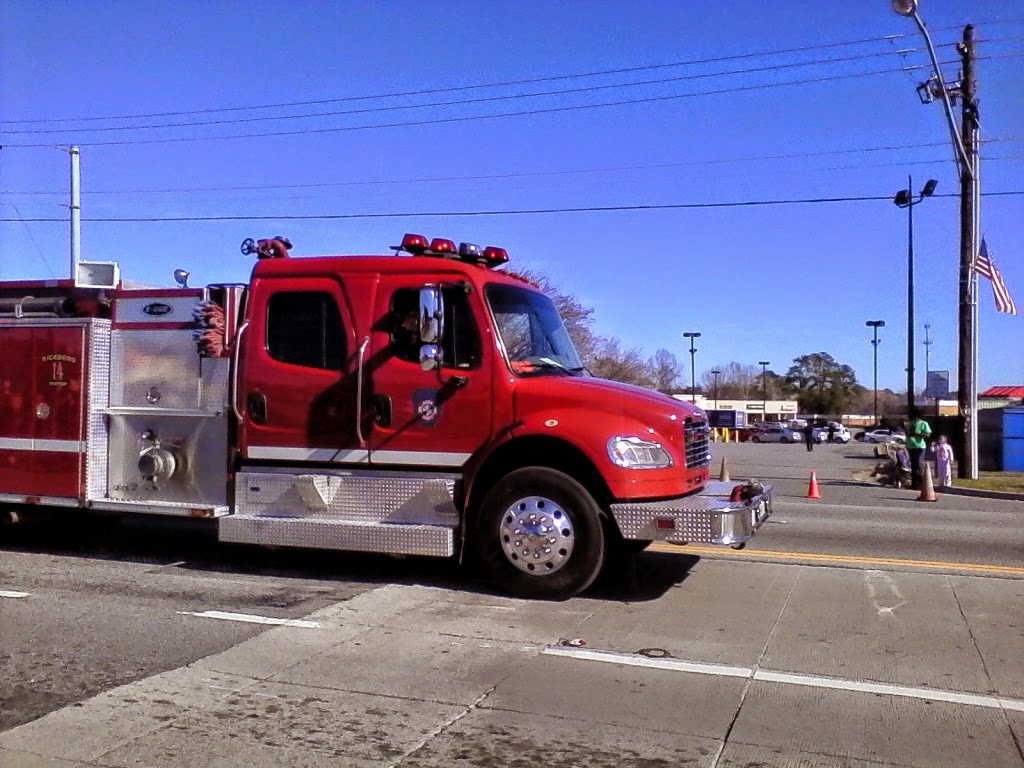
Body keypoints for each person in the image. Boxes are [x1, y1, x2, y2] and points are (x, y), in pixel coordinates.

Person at [905, 409, 932, 489]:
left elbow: (928, 434)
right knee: (913, 464)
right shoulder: (910, 424)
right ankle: (914, 483)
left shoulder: (924, 423)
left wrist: (919, 434)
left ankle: (921, 482)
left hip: (920, 446)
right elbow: (907, 433)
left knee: (919, 463)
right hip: (911, 446)